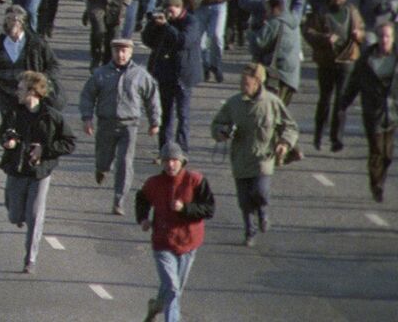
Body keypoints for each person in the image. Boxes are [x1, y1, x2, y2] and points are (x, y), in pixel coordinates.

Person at [210, 62, 299, 246]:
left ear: (258, 82)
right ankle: (250, 232)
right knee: (244, 200)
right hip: (241, 157)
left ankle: (263, 212)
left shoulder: (272, 102)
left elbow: (290, 126)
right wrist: (221, 132)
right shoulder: (234, 103)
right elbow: (217, 123)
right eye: (241, 82)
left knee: (260, 192)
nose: (242, 86)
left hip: (263, 157)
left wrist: (284, 143)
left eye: (246, 82)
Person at [0, 70, 76, 273]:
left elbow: (69, 143)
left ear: (33, 92)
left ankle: (30, 259)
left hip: (40, 172)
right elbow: (4, 132)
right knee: (14, 214)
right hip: (17, 168)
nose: (17, 92)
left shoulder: (51, 116)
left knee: (35, 215)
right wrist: (8, 142)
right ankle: (19, 216)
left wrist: (45, 149)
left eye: (21, 88)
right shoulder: (14, 112)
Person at [79, 37, 162, 214]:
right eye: (117, 51)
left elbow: (152, 98)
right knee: (103, 157)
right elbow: (87, 95)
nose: (121, 54)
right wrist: (87, 118)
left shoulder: (140, 75)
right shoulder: (101, 73)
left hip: (129, 125)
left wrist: (155, 121)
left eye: (125, 51)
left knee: (125, 162)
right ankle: (101, 168)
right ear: (112, 52)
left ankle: (119, 200)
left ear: (131, 53)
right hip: (106, 123)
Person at [136, 142, 215, 322]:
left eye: (174, 160)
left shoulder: (195, 180)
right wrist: (143, 218)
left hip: (188, 243)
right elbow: (141, 199)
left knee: (175, 288)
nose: (170, 164)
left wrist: (185, 208)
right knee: (173, 288)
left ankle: (156, 306)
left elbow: (209, 209)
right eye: (166, 160)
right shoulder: (154, 183)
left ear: (182, 161)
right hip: (163, 242)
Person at [0, 5, 58, 136]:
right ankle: (11, 153)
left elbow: (53, 66)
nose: (10, 23)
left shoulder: (36, 43)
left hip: (29, 94)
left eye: (14, 19)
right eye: (7, 19)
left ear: (22, 22)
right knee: (8, 130)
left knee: (29, 128)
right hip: (5, 94)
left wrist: (41, 80)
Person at [303, 0, 365, 153]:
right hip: (326, 61)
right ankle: (318, 135)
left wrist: (358, 34)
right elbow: (308, 31)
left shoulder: (352, 12)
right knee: (325, 99)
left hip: (346, 60)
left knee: (341, 101)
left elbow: (362, 31)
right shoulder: (322, 12)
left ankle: (337, 138)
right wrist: (324, 38)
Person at [339, 19, 396, 201]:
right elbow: (354, 83)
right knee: (376, 150)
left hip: (393, 111)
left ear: (393, 38)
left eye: (387, 36)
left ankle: (381, 178)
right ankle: (376, 184)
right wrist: (343, 104)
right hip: (373, 111)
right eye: (381, 36)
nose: (384, 39)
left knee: (388, 155)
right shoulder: (366, 60)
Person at [143, 0, 206, 151]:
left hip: (184, 75)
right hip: (165, 73)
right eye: (167, 10)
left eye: (172, 10)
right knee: (166, 115)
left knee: (182, 114)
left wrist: (166, 26)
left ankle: (182, 149)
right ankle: (165, 150)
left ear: (180, 8)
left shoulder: (191, 22)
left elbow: (183, 41)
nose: (169, 14)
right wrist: (153, 25)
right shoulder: (164, 22)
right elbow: (148, 41)